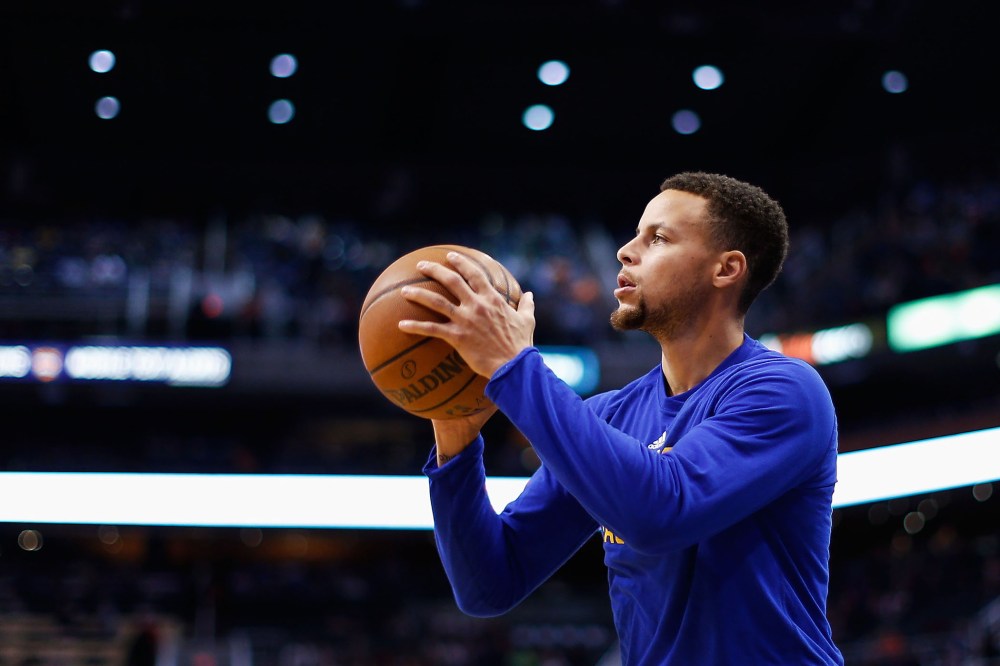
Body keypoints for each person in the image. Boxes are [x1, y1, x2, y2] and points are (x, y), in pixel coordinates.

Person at [398, 171, 843, 665]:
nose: (625, 252)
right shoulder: (608, 415)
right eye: (634, 235)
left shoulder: (784, 392)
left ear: (726, 269)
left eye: (657, 238)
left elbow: (661, 511)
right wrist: (455, 441)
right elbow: (490, 584)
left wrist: (515, 367)